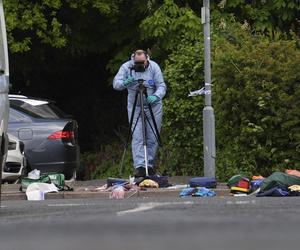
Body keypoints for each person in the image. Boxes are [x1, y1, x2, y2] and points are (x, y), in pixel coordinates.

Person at [113, 49, 166, 178]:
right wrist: (125, 83)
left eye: (142, 62)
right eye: (137, 63)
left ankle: (150, 166)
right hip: (135, 105)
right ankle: (140, 167)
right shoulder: (127, 67)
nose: (140, 65)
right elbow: (116, 84)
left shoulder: (154, 67)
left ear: (147, 58)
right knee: (137, 136)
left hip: (152, 105)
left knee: (152, 136)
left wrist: (156, 96)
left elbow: (162, 86)